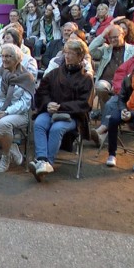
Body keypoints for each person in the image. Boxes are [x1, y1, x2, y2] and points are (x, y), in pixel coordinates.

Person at [31, 39, 94, 181]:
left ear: (80, 56)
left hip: (72, 116)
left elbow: (85, 104)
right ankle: (41, 159)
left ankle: (48, 163)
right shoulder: (53, 73)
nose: (67, 56)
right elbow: (42, 92)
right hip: (50, 111)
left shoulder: (86, 79)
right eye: (66, 52)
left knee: (56, 128)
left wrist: (61, 107)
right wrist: (47, 104)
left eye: (71, 53)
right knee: (40, 123)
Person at [0, 44, 35, 172]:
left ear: (17, 59)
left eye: (8, 56)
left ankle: (5, 156)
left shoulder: (27, 77)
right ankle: (11, 148)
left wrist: (6, 112)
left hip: (18, 112)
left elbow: (25, 103)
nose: (4, 59)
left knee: (4, 124)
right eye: (3, 56)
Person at [105, 56, 134, 172]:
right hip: (127, 109)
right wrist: (123, 110)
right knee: (113, 119)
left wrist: (132, 114)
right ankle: (112, 154)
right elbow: (121, 98)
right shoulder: (128, 79)